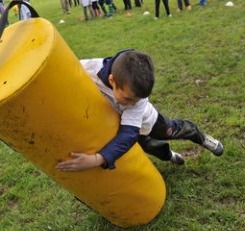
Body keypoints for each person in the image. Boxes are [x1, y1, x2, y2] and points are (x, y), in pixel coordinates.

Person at [56, 50, 224, 172]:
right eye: (128, 99)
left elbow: (128, 134)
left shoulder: (137, 102)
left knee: (173, 130)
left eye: (137, 100)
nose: (132, 103)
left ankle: (202, 139)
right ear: (112, 80)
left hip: (149, 122)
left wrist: (97, 159)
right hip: (124, 128)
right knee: (151, 147)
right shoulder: (88, 69)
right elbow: (63, 68)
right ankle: (169, 155)